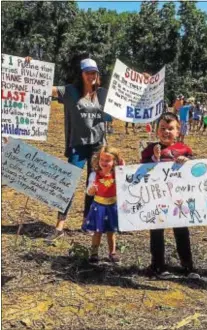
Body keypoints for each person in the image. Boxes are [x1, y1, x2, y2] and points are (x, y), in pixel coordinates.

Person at [25, 56, 108, 242]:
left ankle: (87, 221)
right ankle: (60, 224)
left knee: (92, 184)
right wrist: (27, 69)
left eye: (94, 72)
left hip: (97, 146)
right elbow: (47, 89)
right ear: (82, 74)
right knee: (67, 184)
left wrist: (142, 79)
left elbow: (127, 99)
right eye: (88, 72)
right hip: (77, 145)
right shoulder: (70, 91)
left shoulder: (102, 94)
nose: (91, 76)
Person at [141, 112, 194, 276]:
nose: (166, 132)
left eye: (171, 129)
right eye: (163, 128)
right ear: (157, 131)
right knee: (156, 232)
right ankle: (158, 265)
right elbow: (142, 170)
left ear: (178, 131)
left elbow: (197, 170)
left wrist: (188, 161)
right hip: (157, 200)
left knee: (182, 231)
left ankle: (187, 265)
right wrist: (154, 158)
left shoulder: (184, 149)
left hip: (179, 200)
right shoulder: (149, 149)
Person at [83, 146, 124, 263]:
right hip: (98, 207)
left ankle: (112, 252)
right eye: (102, 160)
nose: (104, 163)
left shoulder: (117, 174)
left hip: (112, 206)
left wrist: (122, 166)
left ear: (114, 162)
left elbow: (126, 179)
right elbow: (88, 191)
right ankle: (94, 253)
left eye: (107, 161)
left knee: (111, 232)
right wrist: (91, 190)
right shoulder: (94, 175)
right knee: (97, 231)